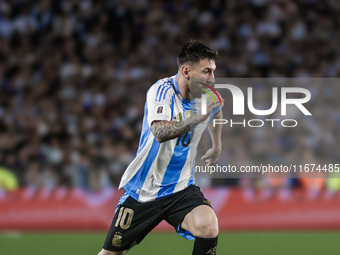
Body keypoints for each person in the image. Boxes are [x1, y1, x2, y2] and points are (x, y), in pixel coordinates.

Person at [98, 40, 224, 255]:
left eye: (213, 71)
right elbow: (159, 133)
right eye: (206, 71)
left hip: (181, 188)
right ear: (186, 71)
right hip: (144, 190)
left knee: (208, 225)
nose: (212, 78)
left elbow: (217, 112)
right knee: (112, 253)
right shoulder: (161, 91)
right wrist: (196, 118)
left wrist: (216, 145)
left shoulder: (209, 96)